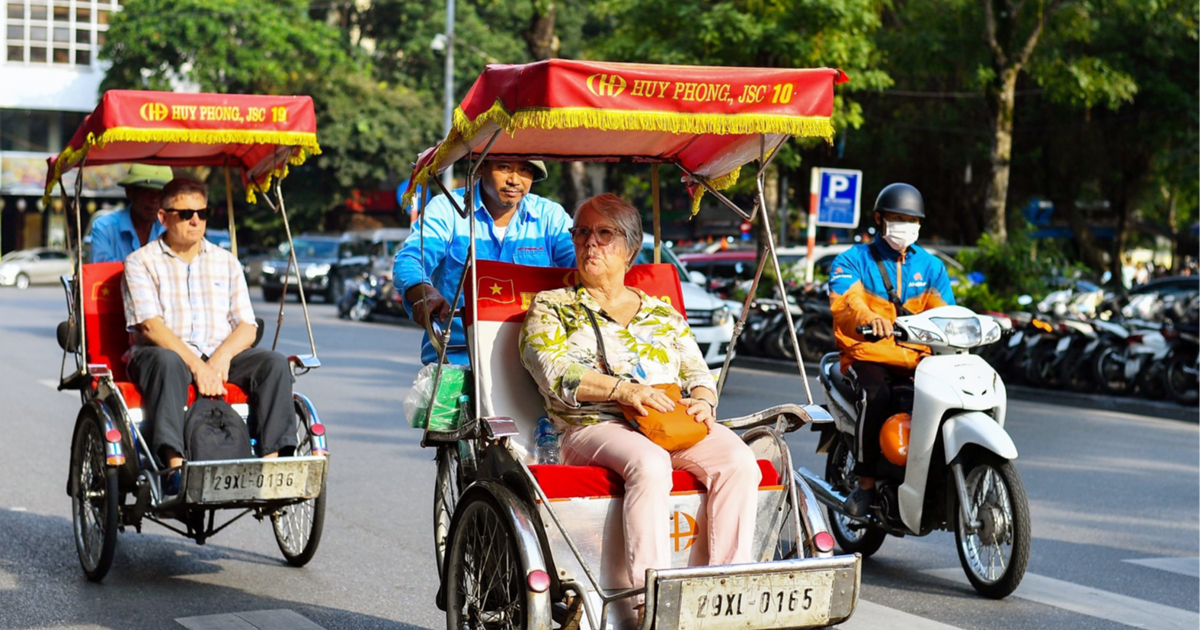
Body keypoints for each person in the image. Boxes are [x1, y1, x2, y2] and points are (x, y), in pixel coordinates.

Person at [520, 193, 760, 606]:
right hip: (593, 425)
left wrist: (704, 400)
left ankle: (721, 591)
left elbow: (699, 374)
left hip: (668, 419)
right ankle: (648, 599)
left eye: (604, 233)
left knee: (740, 463)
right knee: (650, 464)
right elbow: (555, 372)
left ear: (630, 248)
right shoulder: (552, 306)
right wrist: (625, 391)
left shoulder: (662, 312)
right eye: (581, 232)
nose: (589, 243)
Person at [122, 178, 296, 492]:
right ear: (163, 217)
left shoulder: (226, 262)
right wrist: (198, 366)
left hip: (218, 353)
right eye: (186, 213)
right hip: (162, 353)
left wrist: (220, 358)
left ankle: (273, 467)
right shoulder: (140, 262)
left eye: (203, 213)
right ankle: (174, 467)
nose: (195, 220)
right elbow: (150, 326)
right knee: (168, 362)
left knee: (274, 363)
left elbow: (247, 325)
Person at [828, 183, 955, 517]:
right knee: (878, 396)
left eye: (911, 220)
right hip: (867, 354)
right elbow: (846, 302)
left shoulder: (930, 267)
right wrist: (869, 317)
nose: (904, 226)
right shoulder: (852, 260)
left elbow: (946, 311)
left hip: (916, 356)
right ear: (879, 219)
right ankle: (865, 484)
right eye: (897, 218)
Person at [393, 160, 575, 364]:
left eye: (525, 170)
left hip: (534, 357)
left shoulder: (550, 216)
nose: (515, 180)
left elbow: (581, 264)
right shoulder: (447, 208)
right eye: (504, 166)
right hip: (459, 356)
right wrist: (426, 293)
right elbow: (410, 259)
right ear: (480, 167)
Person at [89, 163, 173, 263]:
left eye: (161, 193)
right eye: (147, 192)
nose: (154, 200)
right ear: (129, 192)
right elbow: (101, 271)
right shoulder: (104, 227)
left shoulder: (171, 228)